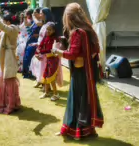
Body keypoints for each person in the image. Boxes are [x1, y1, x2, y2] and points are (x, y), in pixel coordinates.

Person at [52, 3, 104, 140]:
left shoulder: (77, 32)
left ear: (69, 17)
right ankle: (87, 130)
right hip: (89, 73)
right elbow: (96, 49)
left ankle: (77, 132)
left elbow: (72, 54)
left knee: (77, 101)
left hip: (80, 72)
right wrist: (87, 56)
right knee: (85, 100)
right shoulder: (89, 29)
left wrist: (58, 51)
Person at [35, 23, 61, 101]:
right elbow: (41, 45)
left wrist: (41, 52)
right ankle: (46, 92)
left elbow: (50, 50)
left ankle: (56, 94)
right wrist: (37, 52)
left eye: (50, 30)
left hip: (54, 60)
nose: (48, 31)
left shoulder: (56, 39)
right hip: (48, 59)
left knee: (51, 77)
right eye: (47, 29)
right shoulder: (46, 37)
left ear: (54, 31)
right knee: (45, 75)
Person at [29, 8, 54, 88]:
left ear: (45, 14)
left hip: (45, 49)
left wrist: (39, 47)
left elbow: (47, 38)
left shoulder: (49, 24)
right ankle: (40, 81)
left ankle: (46, 86)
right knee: (37, 64)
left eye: (41, 13)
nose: (40, 15)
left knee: (44, 66)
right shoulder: (45, 24)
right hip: (41, 47)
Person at [22, 8, 41, 77]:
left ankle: (32, 73)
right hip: (31, 40)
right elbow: (26, 24)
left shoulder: (40, 21)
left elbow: (43, 33)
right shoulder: (33, 21)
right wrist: (24, 17)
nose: (33, 14)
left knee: (31, 56)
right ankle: (26, 72)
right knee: (27, 56)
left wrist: (37, 35)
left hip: (36, 41)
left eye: (35, 13)